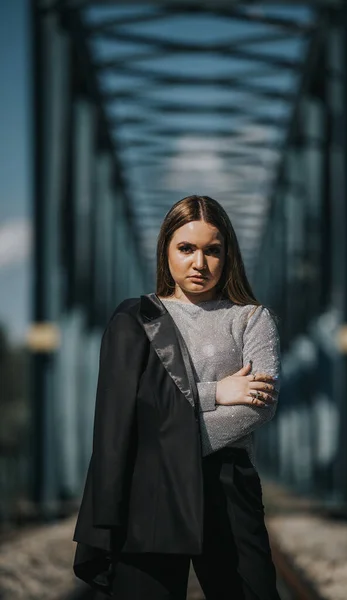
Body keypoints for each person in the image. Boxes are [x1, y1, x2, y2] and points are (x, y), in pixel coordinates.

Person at [73, 195, 282, 600]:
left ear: (228, 255)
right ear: (166, 250)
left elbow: (258, 406)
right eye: (186, 248)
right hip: (153, 489)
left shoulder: (251, 318)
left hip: (225, 488)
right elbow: (126, 410)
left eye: (212, 251)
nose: (199, 263)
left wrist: (165, 436)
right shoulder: (136, 321)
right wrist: (216, 392)